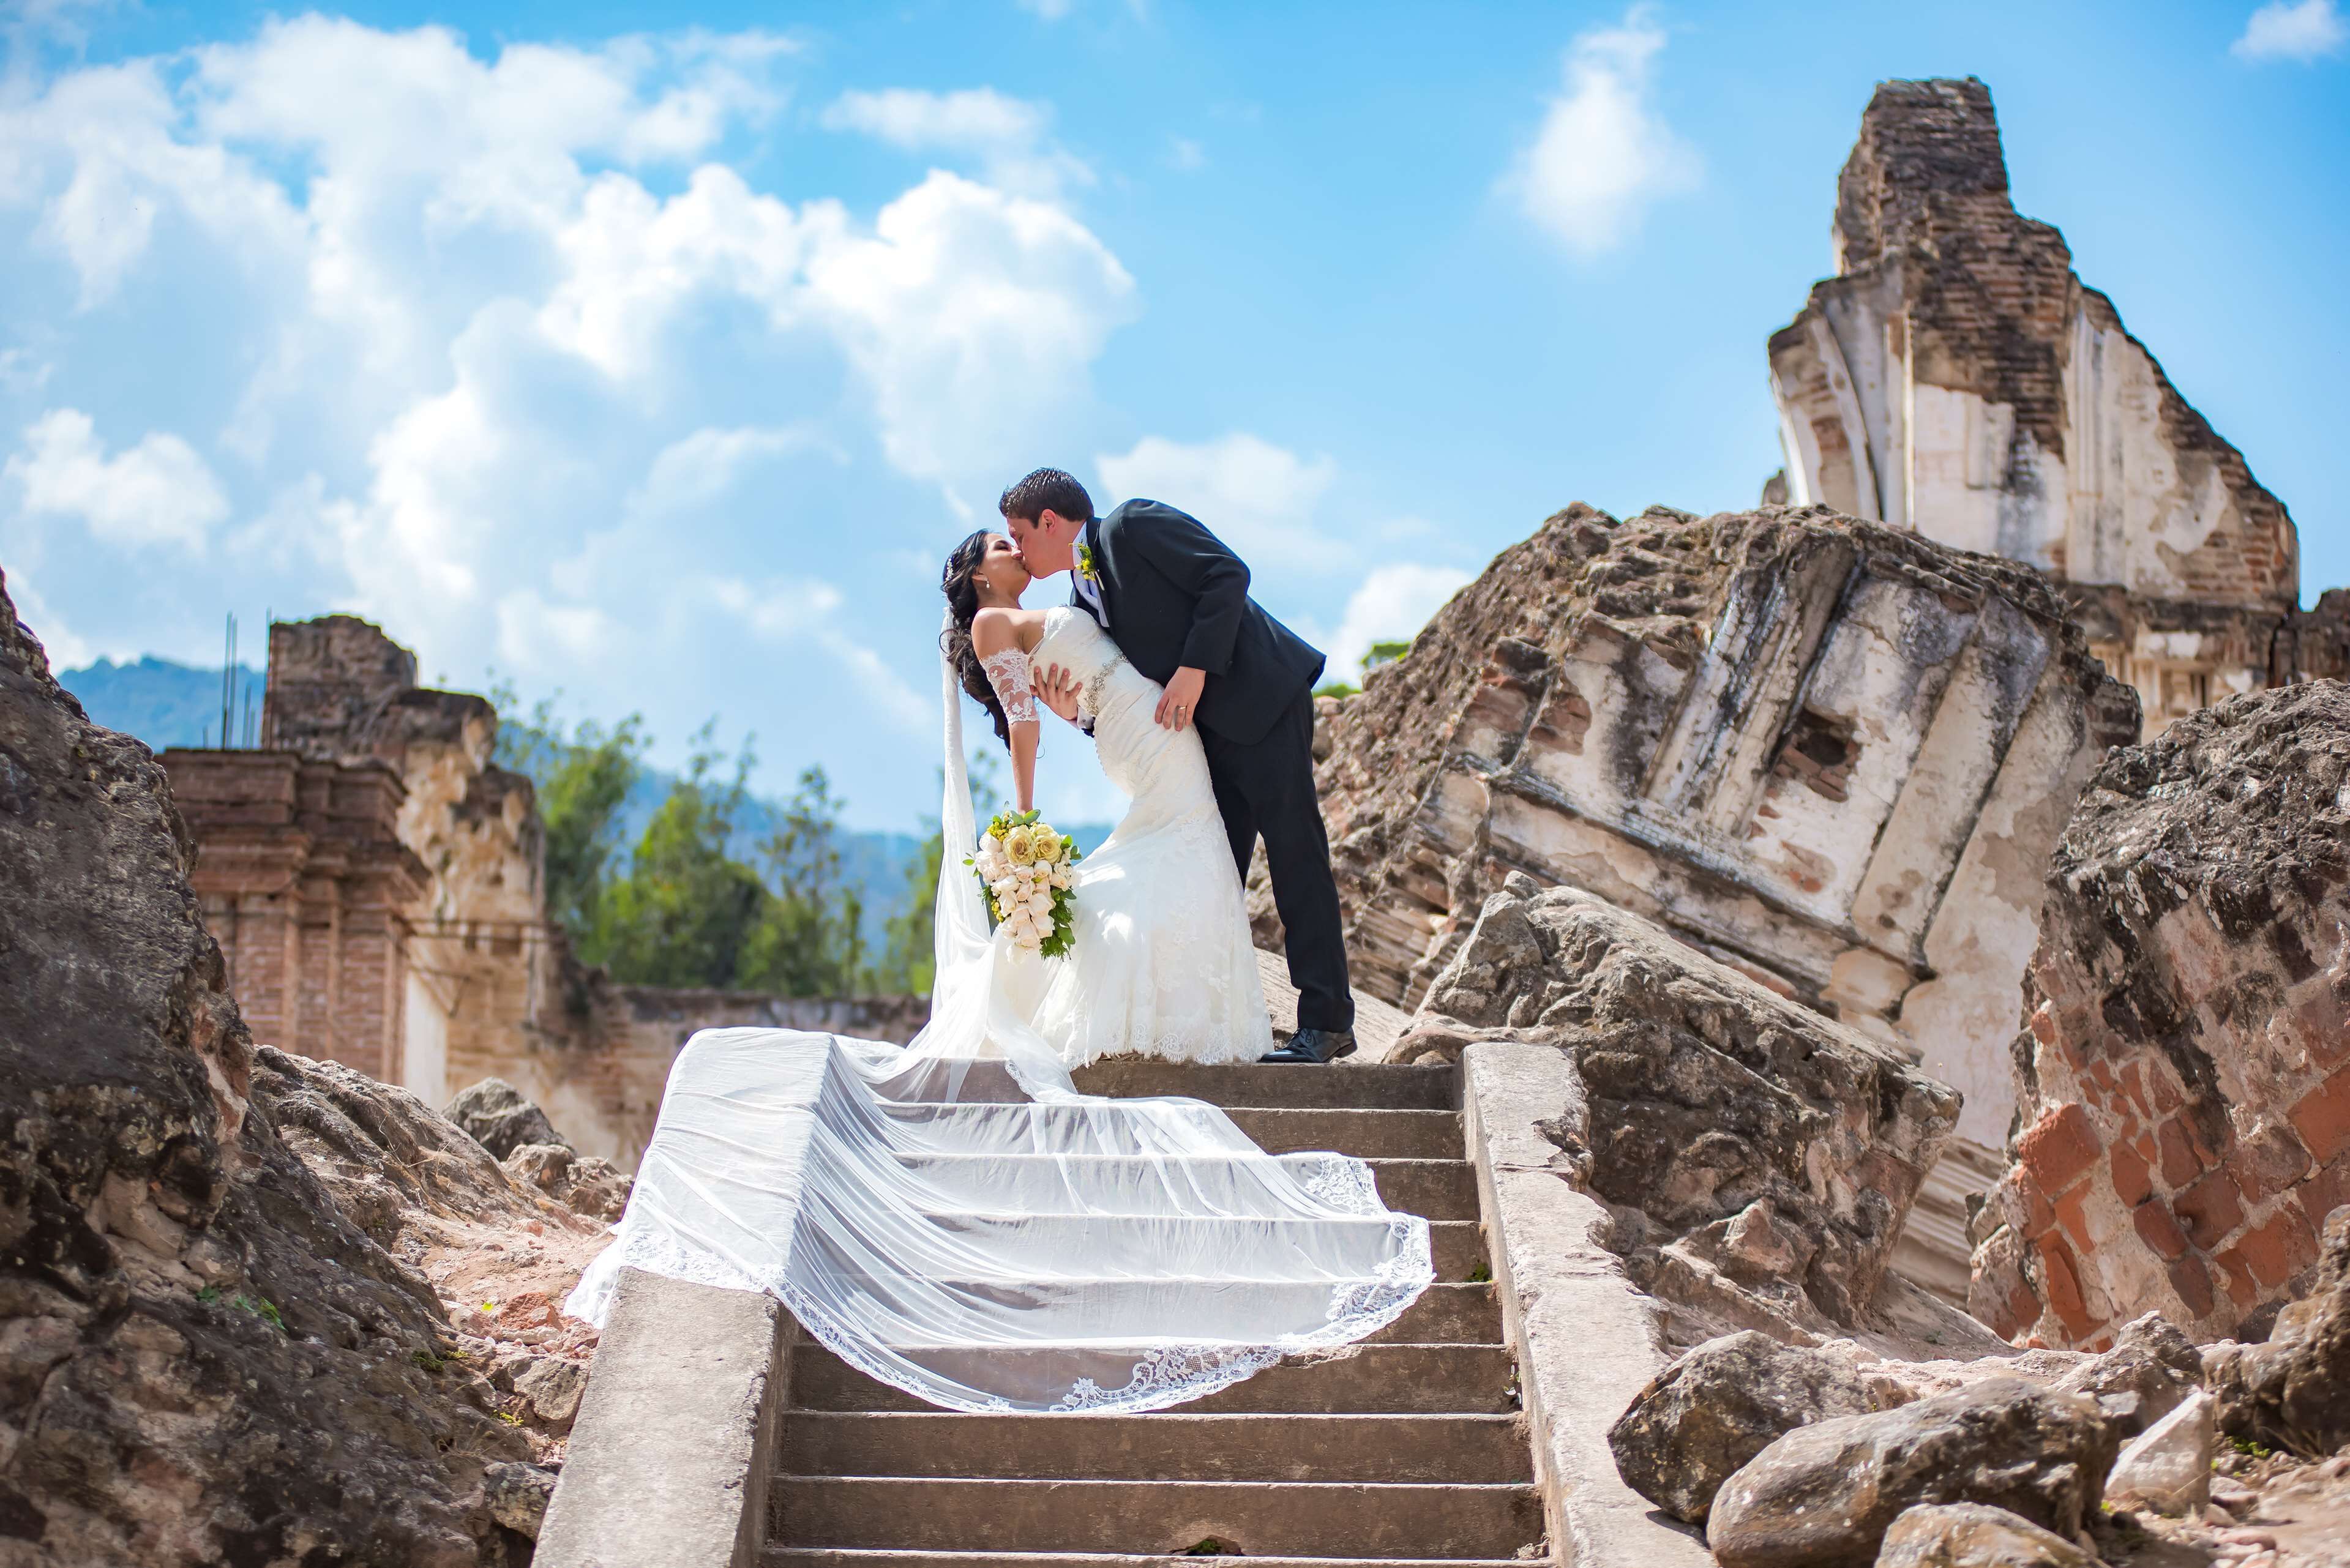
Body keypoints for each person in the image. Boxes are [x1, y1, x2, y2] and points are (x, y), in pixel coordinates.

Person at [995, 468, 1358, 1066]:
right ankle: (1211, 1028)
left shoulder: (1131, 524)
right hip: (1202, 739)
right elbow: (1127, 689)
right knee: (1213, 873)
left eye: (1018, 534)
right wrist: (1078, 718)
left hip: (1260, 701)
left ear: (1051, 522)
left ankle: (1325, 1023)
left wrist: (1194, 669)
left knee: (1295, 852)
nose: (1016, 550)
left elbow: (1226, 574)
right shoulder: (1079, 601)